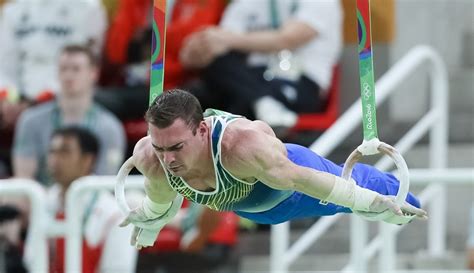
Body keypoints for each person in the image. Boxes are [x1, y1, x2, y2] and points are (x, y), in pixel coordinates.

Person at [119, 89, 427, 249]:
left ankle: (405, 199)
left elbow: (300, 178)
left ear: (201, 130)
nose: (169, 160)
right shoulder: (151, 157)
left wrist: (369, 203)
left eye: (176, 148)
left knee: (360, 189)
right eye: (160, 148)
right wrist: (150, 223)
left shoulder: (240, 147)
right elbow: (160, 202)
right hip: (251, 209)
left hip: (291, 184)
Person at [179, 0, 342, 128]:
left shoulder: (322, 2)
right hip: (251, 79)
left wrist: (225, 39)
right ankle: (263, 102)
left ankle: (260, 103)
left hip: (300, 82)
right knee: (206, 76)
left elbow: (287, 39)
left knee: (233, 103)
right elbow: (219, 45)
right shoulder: (245, 2)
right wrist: (197, 49)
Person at [22, 126, 137, 273]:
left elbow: (118, 269)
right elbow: (31, 260)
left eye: (64, 152)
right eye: (52, 152)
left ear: (87, 160)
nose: (55, 160)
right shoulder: (42, 202)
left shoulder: (115, 214)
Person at [12, 44, 126, 186]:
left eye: (76, 69)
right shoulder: (30, 120)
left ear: (93, 73)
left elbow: (107, 182)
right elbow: (23, 181)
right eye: (63, 69)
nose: (68, 75)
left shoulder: (110, 127)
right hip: (43, 201)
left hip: (90, 201)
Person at [0, 0, 107, 129]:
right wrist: (10, 99)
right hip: (19, 96)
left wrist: (39, 101)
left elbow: (84, 67)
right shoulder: (12, 10)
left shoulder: (89, 8)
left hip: (64, 93)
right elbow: (5, 65)